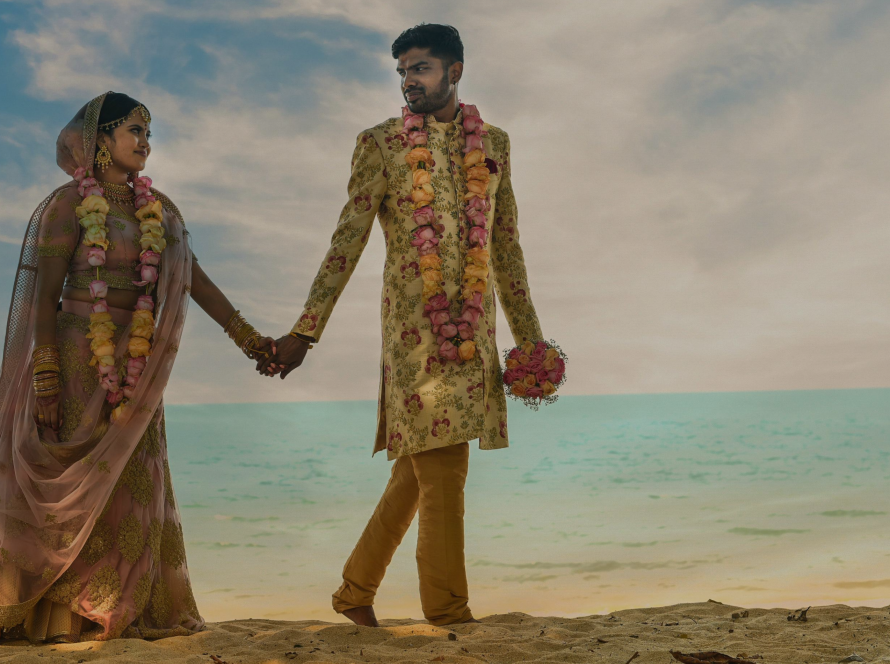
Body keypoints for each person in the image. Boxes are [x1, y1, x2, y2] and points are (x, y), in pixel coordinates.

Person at [258, 24, 544, 626]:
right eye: (403, 71)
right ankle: (448, 613)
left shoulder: (494, 144)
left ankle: (354, 591)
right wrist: (307, 330)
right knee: (444, 472)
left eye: (421, 68)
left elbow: (507, 249)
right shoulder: (382, 144)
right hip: (414, 338)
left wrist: (530, 341)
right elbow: (348, 239)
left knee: (421, 472)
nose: (409, 81)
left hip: (474, 333)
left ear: (455, 70)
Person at [0, 92, 272, 642]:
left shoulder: (161, 211)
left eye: (149, 134)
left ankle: (121, 609)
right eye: (135, 132)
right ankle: (60, 616)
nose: (146, 144)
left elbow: (193, 279)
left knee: (132, 484)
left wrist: (252, 341)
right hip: (79, 361)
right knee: (72, 484)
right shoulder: (68, 205)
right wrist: (46, 375)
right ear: (102, 141)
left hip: (137, 368)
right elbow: (42, 300)